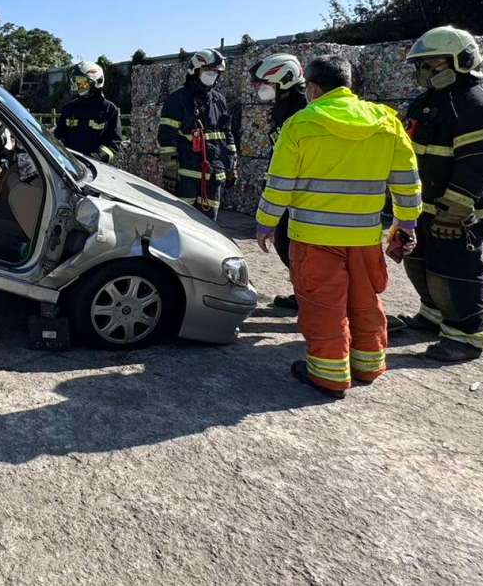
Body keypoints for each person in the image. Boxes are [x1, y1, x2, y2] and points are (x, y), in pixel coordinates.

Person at [256, 56, 421, 398]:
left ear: (313, 88)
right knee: (365, 300)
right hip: (364, 238)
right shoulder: (387, 122)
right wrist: (406, 224)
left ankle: (329, 375)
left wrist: (266, 223)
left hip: (313, 238)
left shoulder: (301, 124)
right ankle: (370, 364)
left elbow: (280, 183)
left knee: (323, 306)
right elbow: (407, 182)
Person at [390, 27, 483, 362]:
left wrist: (454, 210)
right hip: (424, 207)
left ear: (462, 60)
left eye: (433, 64)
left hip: (460, 212)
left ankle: (466, 337)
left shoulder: (475, 107)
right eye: (422, 65)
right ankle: (433, 316)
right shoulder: (426, 103)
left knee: (453, 273)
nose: (425, 72)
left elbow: (477, 166)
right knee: (419, 264)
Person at [249, 53, 309, 309]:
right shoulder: (284, 105)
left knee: (296, 247)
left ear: (282, 79)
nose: (260, 89)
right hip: (287, 188)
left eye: (264, 83)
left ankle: (313, 297)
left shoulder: (301, 108)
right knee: (286, 245)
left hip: (302, 192)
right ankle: (304, 293)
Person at [157, 49, 237, 219]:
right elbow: (167, 137)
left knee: (209, 226)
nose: (212, 75)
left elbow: (227, 135)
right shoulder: (178, 99)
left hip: (215, 175)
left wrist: (231, 166)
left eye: (216, 72)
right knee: (182, 223)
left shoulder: (219, 100)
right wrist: (171, 170)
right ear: (194, 70)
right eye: (208, 71)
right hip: (187, 175)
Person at [55, 61, 120, 163]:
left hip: (96, 169)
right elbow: (58, 137)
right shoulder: (69, 108)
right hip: (70, 167)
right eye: (75, 81)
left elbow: (114, 144)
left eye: (81, 81)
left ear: (96, 81)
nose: (77, 85)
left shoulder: (110, 110)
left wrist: (96, 158)